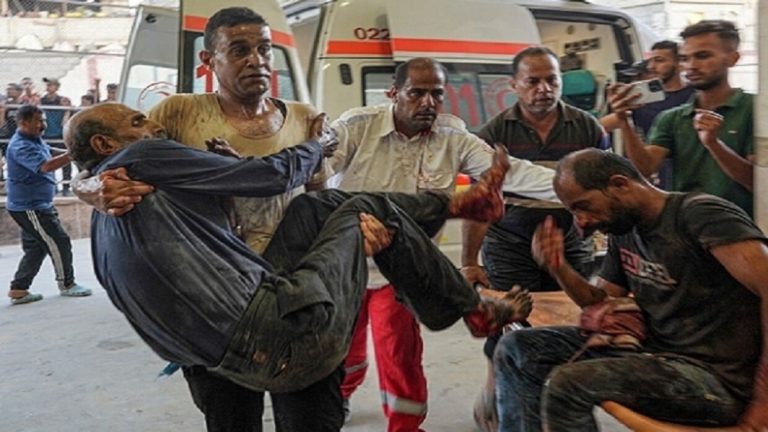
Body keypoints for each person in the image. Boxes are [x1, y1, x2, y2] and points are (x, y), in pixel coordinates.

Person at [65, 102, 533, 430]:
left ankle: (461, 208)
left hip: (226, 329)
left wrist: (223, 178)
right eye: (137, 121)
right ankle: (471, 297)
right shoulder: (149, 146)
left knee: (315, 207)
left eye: (263, 50)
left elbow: (211, 235)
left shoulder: (111, 210)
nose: (151, 124)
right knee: (360, 211)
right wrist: (319, 144)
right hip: (267, 327)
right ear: (213, 58)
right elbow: (271, 175)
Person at [329, 57, 557, 431]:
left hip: (400, 268)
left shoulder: (453, 137)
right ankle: (338, 396)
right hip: (344, 263)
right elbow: (317, 167)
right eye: (416, 93)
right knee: (341, 349)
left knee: (399, 350)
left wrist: (573, 187)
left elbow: (512, 172)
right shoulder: (356, 127)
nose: (428, 103)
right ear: (393, 93)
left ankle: (405, 426)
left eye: (436, 94)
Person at [493, 148, 767, 432]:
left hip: (716, 380)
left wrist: (764, 404)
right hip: (656, 356)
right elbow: (599, 302)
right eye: (574, 211)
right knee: (517, 347)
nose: (581, 221)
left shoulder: (701, 215)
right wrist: (559, 268)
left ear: (620, 184)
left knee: (569, 384)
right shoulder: (624, 229)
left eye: (584, 206)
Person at [459, 46, 608, 431]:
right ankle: (495, 389)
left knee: (571, 321)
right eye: (533, 81)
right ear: (514, 85)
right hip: (509, 244)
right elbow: (480, 204)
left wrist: (597, 237)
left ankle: (560, 397)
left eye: (552, 80)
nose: (544, 89)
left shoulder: (588, 128)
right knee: (507, 321)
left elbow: (604, 191)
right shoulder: (494, 134)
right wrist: (470, 261)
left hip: (570, 244)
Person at [608, 20, 753, 216]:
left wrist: (714, 144)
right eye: (685, 58)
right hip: (685, 223)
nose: (691, 66)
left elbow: (758, 182)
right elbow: (645, 169)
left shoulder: (756, 109)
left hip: (742, 223)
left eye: (703, 56)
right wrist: (624, 120)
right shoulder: (672, 117)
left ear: (732, 58)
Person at [5, 105, 92, 305]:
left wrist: (73, 152)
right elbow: (45, 166)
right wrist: (73, 154)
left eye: (43, 120)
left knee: (36, 248)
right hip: (30, 207)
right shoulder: (21, 146)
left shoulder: (34, 140)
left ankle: (19, 289)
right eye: (38, 121)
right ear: (23, 123)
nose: (43, 125)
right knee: (60, 242)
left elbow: (49, 152)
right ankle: (67, 284)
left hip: (36, 204)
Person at [601, 40, 695, 138]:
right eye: (650, 61)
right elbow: (602, 126)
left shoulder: (696, 94)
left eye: (659, 60)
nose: (651, 66)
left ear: (680, 64)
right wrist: (619, 111)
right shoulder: (642, 97)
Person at [40, 77, 74, 196]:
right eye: (48, 85)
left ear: (57, 87)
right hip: (46, 134)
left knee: (65, 160)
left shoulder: (62, 100)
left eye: (51, 85)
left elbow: (67, 116)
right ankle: (51, 186)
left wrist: (67, 110)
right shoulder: (42, 100)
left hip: (59, 134)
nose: (49, 87)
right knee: (48, 160)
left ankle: (66, 186)